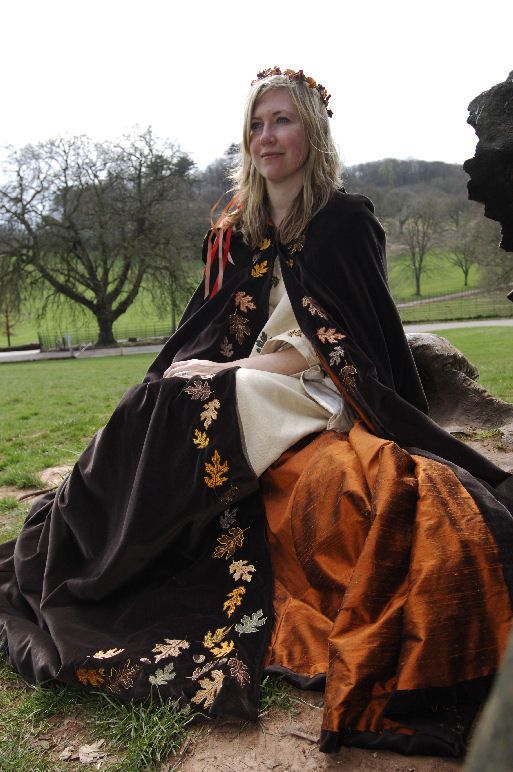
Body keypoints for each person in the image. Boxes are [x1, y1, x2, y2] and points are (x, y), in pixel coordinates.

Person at [1, 67, 513, 759]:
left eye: (282, 120)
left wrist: (226, 368)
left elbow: (334, 339)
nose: (266, 136)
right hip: (242, 379)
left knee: (194, 397)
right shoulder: (232, 223)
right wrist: (202, 367)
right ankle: (102, 552)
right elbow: (202, 328)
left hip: (309, 383)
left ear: (312, 129)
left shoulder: (343, 218)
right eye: (257, 122)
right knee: (156, 400)